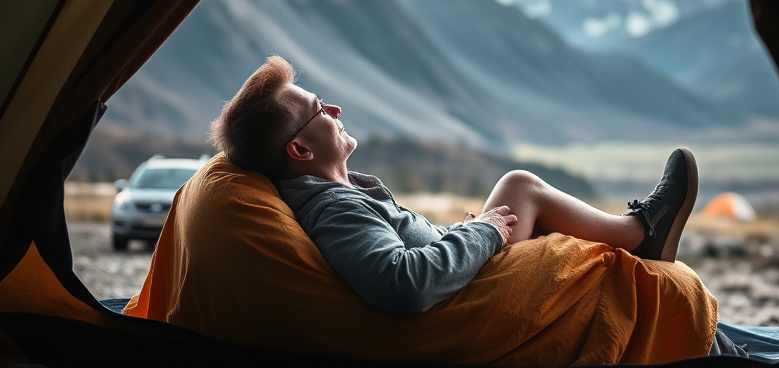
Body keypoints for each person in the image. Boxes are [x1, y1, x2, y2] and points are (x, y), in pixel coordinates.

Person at [208, 54, 700, 317]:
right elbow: (403, 283)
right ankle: (638, 232)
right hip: (468, 298)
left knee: (522, 191)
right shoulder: (334, 209)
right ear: (300, 150)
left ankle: (636, 233)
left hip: (464, 269)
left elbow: (400, 244)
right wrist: (482, 233)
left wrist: (455, 235)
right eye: (318, 108)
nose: (334, 109)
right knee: (520, 185)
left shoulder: (338, 195)